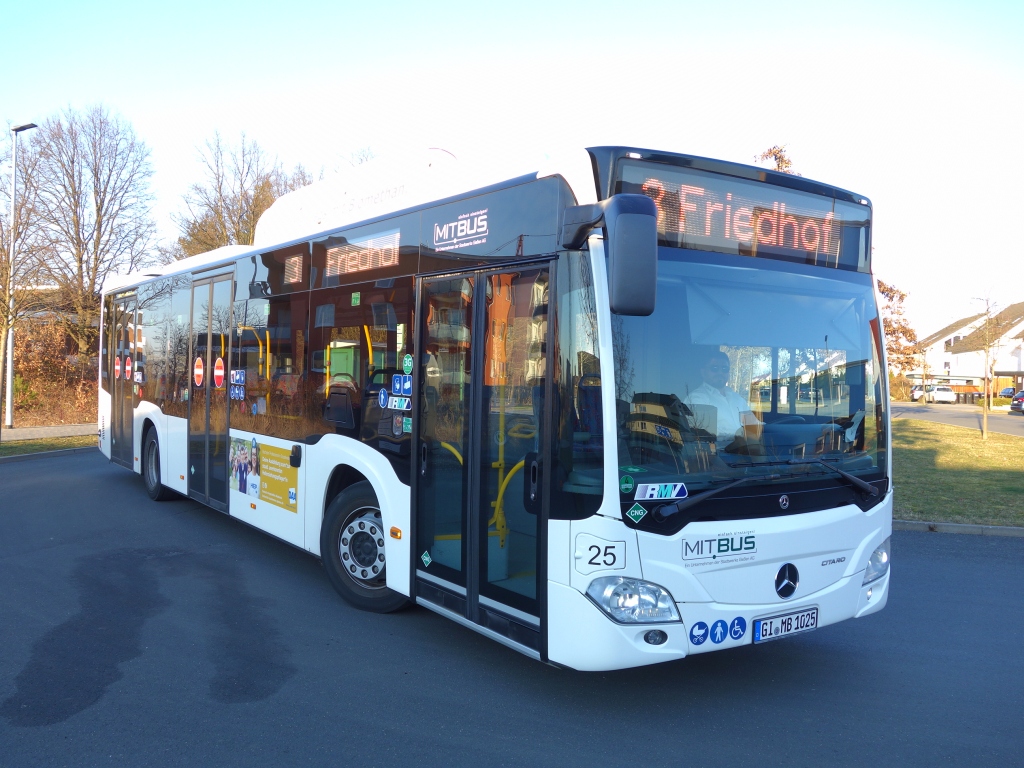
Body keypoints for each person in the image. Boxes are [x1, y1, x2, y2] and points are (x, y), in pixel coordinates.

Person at [684, 350, 760, 446]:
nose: (720, 372)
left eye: (724, 369)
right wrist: (740, 436)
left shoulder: (737, 399)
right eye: (714, 368)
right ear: (703, 372)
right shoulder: (696, 399)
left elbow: (753, 426)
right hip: (717, 455)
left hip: (744, 453)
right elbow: (704, 435)